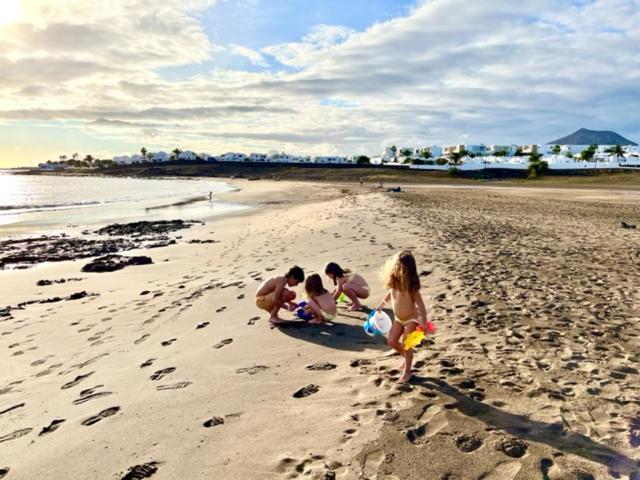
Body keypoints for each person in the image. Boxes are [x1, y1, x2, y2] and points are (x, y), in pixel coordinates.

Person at [377, 251, 428, 383]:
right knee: (391, 341)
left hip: (412, 319)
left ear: (408, 269)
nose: (398, 269)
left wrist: (424, 322)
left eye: (402, 267)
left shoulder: (412, 287)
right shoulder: (394, 282)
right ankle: (406, 358)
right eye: (397, 265)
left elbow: (421, 305)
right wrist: (382, 304)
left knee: (406, 345)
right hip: (398, 319)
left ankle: (407, 372)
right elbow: (390, 294)